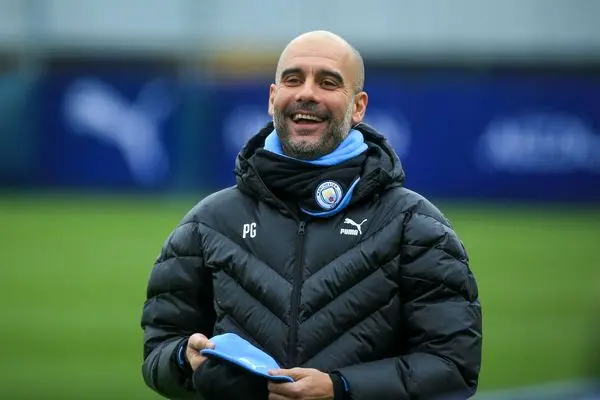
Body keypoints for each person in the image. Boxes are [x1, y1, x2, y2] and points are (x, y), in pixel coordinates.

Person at [141, 30, 483, 400]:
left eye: (328, 82)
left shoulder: (415, 226)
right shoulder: (209, 222)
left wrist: (341, 388)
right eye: (293, 79)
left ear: (358, 106)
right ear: (272, 98)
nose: (306, 93)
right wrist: (183, 359)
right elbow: (159, 351)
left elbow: (453, 367)